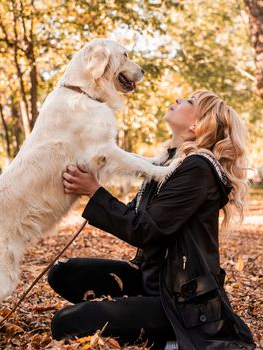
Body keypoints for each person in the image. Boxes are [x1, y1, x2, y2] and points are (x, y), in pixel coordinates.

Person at [47, 90, 255, 350]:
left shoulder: (198, 169)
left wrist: (94, 191)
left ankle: (168, 339)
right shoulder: (169, 164)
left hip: (181, 303)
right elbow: (135, 215)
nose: (178, 99)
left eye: (189, 102)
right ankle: (140, 322)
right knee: (64, 273)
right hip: (151, 281)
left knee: (65, 323)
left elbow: (143, 230)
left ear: (197, 124)